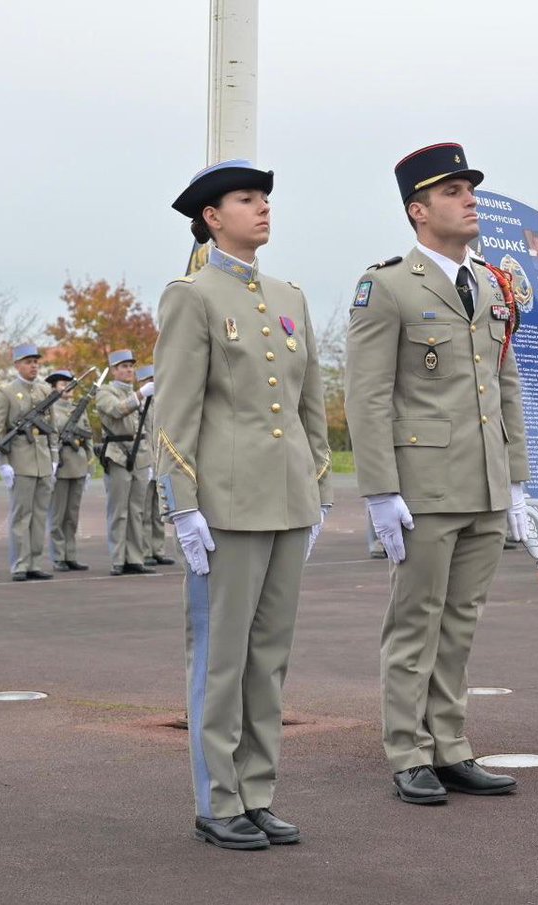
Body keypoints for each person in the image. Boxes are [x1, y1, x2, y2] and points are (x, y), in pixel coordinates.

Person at [344, 142, 528, 806]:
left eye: (471, 188)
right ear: (419, 211)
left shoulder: (489, 285)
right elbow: (366, 397)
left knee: (461, 622)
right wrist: (380, 491)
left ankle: (450, 745)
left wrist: (519, 480)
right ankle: (407, 749)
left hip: (483, 482)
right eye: (453, 191)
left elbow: (506, 384)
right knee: (415, 620)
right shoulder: (388, 285)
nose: (470, 198)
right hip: (423, 485)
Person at [156, 159, 332, 849]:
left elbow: (310, 402)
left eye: (264, 198)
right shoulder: (191, 295)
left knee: (270, 657)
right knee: (221, 657)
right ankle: (217, 799)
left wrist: (316, 490)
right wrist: (183, 504)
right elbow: (176, 409)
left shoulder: (289, 295)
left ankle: (257, 791)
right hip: (225, 506)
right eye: (245, 199)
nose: (261, 208)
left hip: (287, 500)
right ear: (211, 216)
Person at [0, 344, 55, 581]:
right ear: (16, 365)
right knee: (21, 516)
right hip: (19, 462)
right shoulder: (5, 392)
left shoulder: (46, 390)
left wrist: (54, 459)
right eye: (28, 361)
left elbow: (52, 429)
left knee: (39, 516)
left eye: (36, 361)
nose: (33, 365)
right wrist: (1, 463)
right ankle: (19, 564)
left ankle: (35, 562)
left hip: (43, 463)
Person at [96, 349, 155, 576]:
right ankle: (118, 559)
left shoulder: (140, 394)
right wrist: (140, 394)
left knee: (137, 510)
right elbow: (117, 410)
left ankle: (135, 558)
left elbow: (148, 427)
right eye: (123, 366)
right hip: (118, 454)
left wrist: (150, 459)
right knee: (119, 510)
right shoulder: (105, 392)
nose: (129, 370)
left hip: (140, 453)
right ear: (113, 370)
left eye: (131, 366)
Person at [47, 369, 92, 571]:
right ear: (54, 388)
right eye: (63, 384)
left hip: (79, 465)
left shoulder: (79, 409)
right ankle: (58, 556)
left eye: (70, 383)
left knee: (72, 515)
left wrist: (90, 464)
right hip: (62, 466)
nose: (68, 387)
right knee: (58, 515)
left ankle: (70, 554)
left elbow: (88, 437)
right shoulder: (51, 410)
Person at [137, 364, 174, 566]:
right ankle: (145, 550)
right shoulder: (141, 406)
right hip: (145, 461)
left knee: (158, 509)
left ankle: (158, 549)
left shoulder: (162, 404)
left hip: (159, 462)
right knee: (144, 510)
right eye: (147, 380)